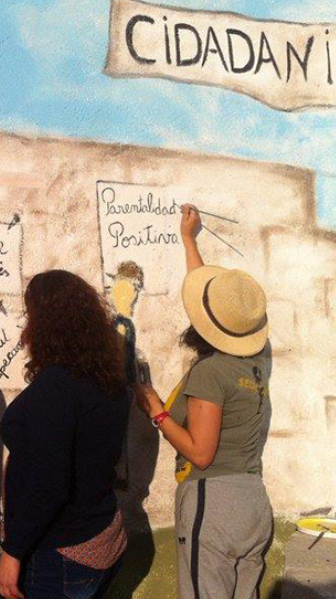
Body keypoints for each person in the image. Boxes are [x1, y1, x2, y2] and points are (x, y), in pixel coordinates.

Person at [135, 204, 273, 599]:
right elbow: (217, 307)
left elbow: (201, 453)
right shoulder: (257, 362)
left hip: (215, 504)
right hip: (253, 502)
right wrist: (189, 240)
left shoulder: (211, 373)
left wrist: (156, 410)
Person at [0, 270, 130, 599]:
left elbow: (48, 483)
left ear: (44, 322)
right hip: (101, 533)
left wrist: (12, 552)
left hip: (62, 552)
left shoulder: (56, 387)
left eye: (29, 314)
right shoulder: (107, 381)